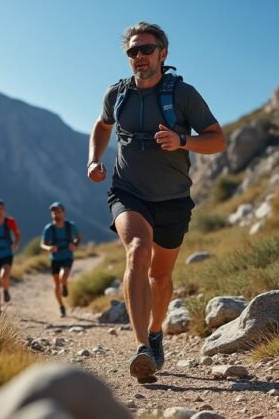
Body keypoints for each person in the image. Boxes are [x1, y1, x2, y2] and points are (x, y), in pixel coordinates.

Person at [87, 22, 226, 383]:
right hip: (127, 192)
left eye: (146, 49)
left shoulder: (183, 95)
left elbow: (217, 140)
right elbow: (102, 126)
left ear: (163, 54)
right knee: (137, 248)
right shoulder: (117, 94)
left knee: (160, 276)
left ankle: (155, 331)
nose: (139, 56)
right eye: (133, 51)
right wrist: (93, 158)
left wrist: (183, 141)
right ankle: (141, 349)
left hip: (173, 199)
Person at [40, 202, 82, 318]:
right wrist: (49, 248)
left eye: (58, 211)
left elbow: (78, 238)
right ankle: (61, 306)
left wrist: (75, 245)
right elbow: (42, 244)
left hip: (67, 256)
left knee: (63, 277)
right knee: (56, 285)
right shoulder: (49, 228)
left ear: (63, 212)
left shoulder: (70, 226)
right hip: (55, 258)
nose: (55, 214)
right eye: (53, 212)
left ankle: (65, 285)